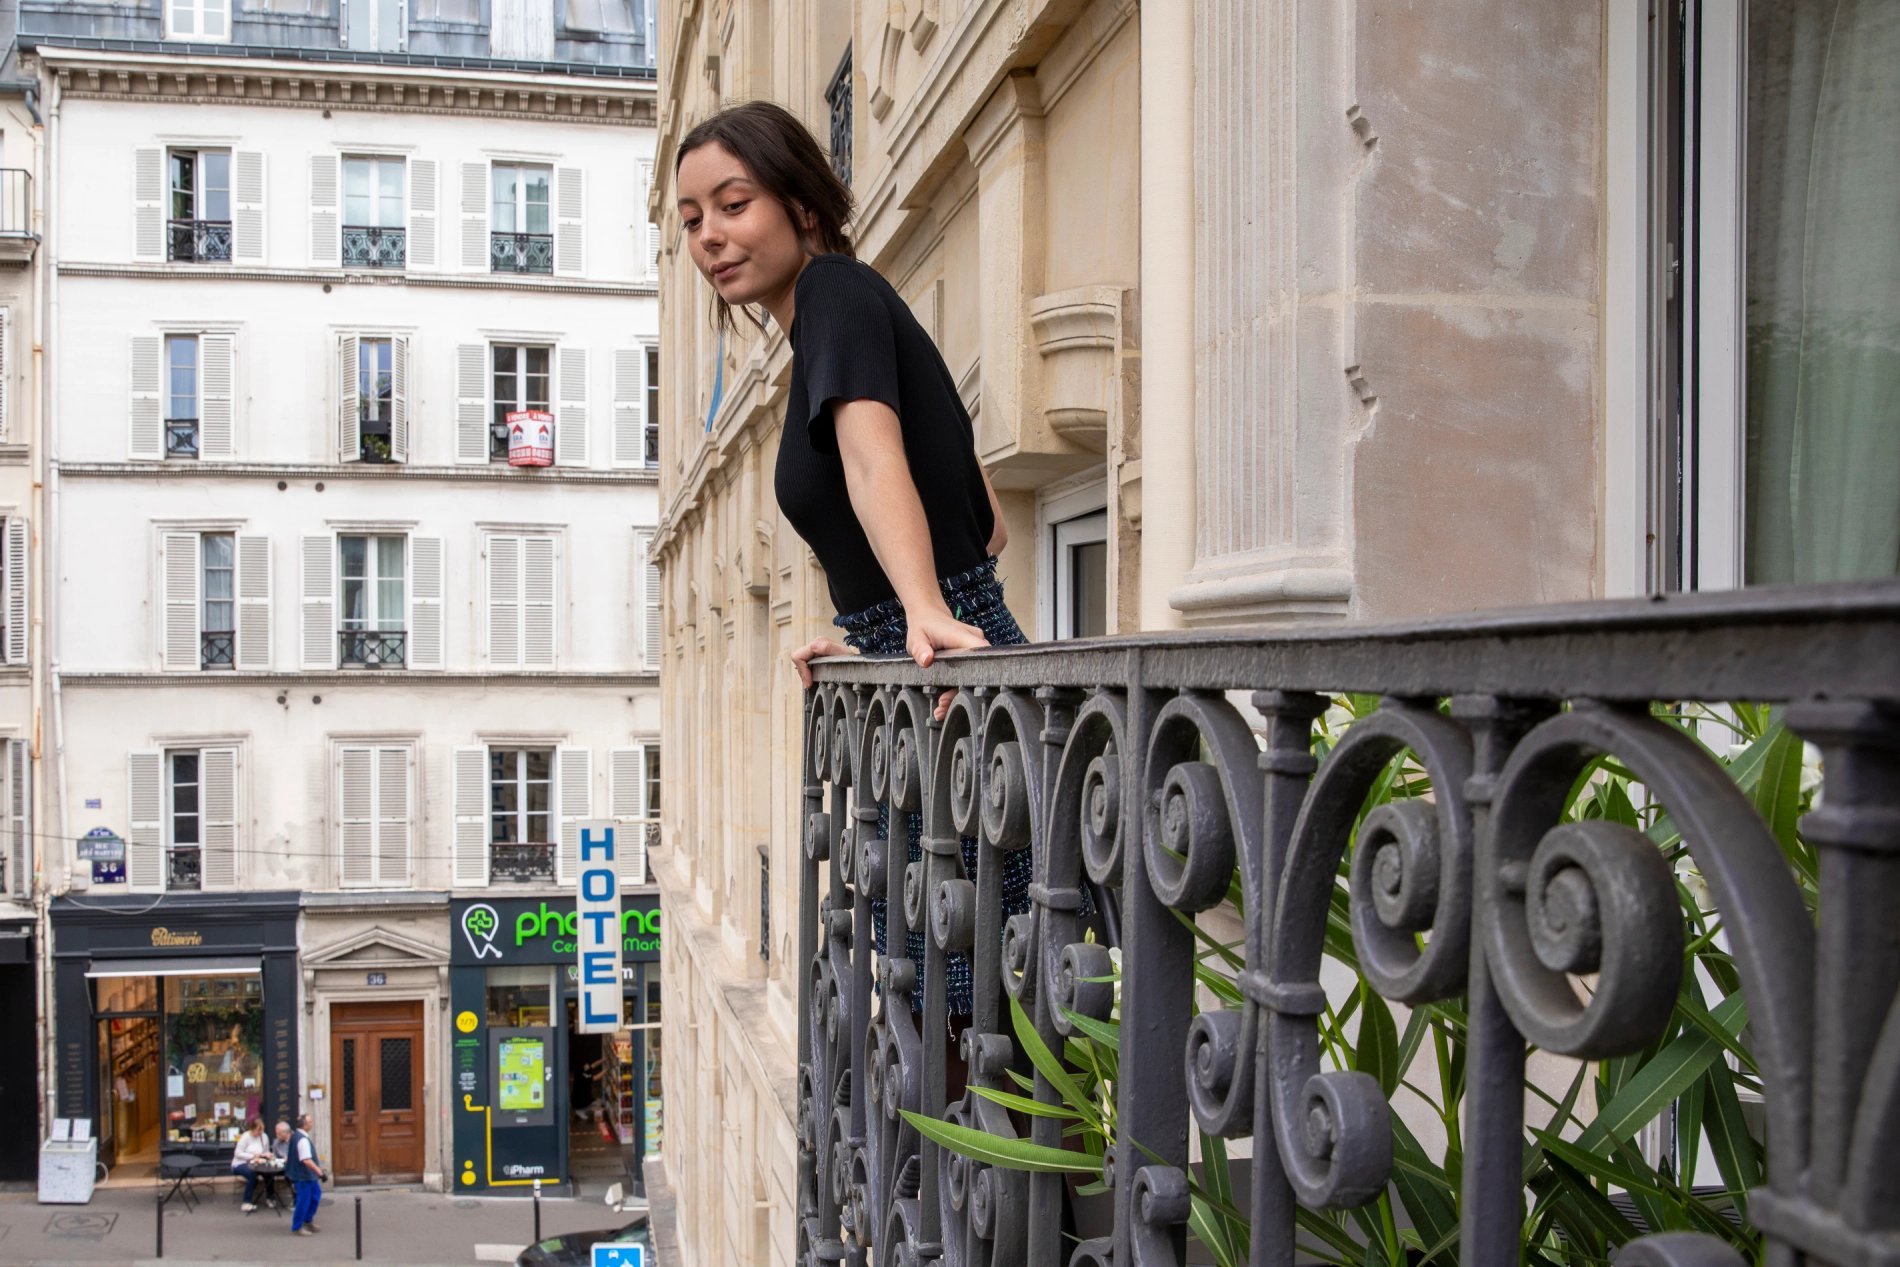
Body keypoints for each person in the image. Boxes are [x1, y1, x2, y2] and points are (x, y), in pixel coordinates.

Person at [674, 101, 1029, 1028]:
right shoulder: (837, 316)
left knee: (977, 992)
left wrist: (917, 610)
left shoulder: (834, 294)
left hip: (944, 685)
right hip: (926, 669)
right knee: (974, 981)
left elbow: (877, 464)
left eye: (733, 202)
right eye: (691, 220)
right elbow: (986, 524)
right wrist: (871, 621)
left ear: (799, 202)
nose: (710, 235)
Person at [280, 1117, 326, 1236]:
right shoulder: (302, 1140)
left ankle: (308, 1220)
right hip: (304, 1175)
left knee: (315, 1196)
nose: (312, 1123)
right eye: (310, 1122)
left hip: (307, 1175)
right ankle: (297, 1226)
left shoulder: (298, 1136)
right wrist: (319, 1172)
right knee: (303, 1200)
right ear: (305, 1125)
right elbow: (306, 1160)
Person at [231, 1117, 272, 1212]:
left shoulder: (264, 1137)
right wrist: (253, 1156)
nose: (260, 1133)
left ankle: (270, 1197)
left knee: (269, 1173)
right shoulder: (245, 1137)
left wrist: (267, 1155)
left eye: (262, 1130)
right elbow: (237, 1153)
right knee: (252, 1174)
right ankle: (246, 1202)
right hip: (240, 1163)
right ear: (252, 1129)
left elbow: (265, 1152)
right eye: (258, 1130)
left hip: (257, 1162)